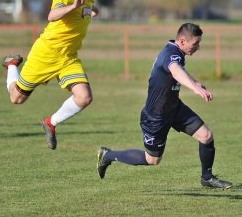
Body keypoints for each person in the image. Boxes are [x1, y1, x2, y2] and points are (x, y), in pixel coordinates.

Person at [97, 23, 233, 189]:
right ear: (182, 41)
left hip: (174, 108)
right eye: (195, 43)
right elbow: (175, 70)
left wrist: (195, 81)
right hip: (156, 115)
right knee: (152, 159)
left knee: (206, 136)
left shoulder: (176, 52)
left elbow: (178, 71)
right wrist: (195, 88)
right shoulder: (170, 53)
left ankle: (207, 178)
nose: (198, 47)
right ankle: (108, 155)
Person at [2, 0, 105, 150]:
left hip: (68, 58)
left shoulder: (89, 0)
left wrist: (93, 11)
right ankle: (11, 65)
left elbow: (87, 11)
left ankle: (50, 123)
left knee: (84, 97)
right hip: (46, 54)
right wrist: (73, 6)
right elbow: (52, 15)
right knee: (16, 98)